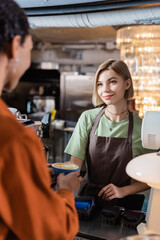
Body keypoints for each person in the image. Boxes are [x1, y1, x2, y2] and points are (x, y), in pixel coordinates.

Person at [0, 0, 82, 239]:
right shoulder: (12, 137)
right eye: (31, 47)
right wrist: (66, 192)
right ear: (16, 45)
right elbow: (51, 231)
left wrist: (29, 174)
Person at [65, 59, 152, 209]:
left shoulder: (142, 127)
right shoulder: (88, 118)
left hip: (124, 205)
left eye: (112, 82)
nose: (104, 89)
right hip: (87, 201)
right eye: (100, 84)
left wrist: (123, 191)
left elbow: (151, 177)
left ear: (127, 84)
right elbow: (74, 164)